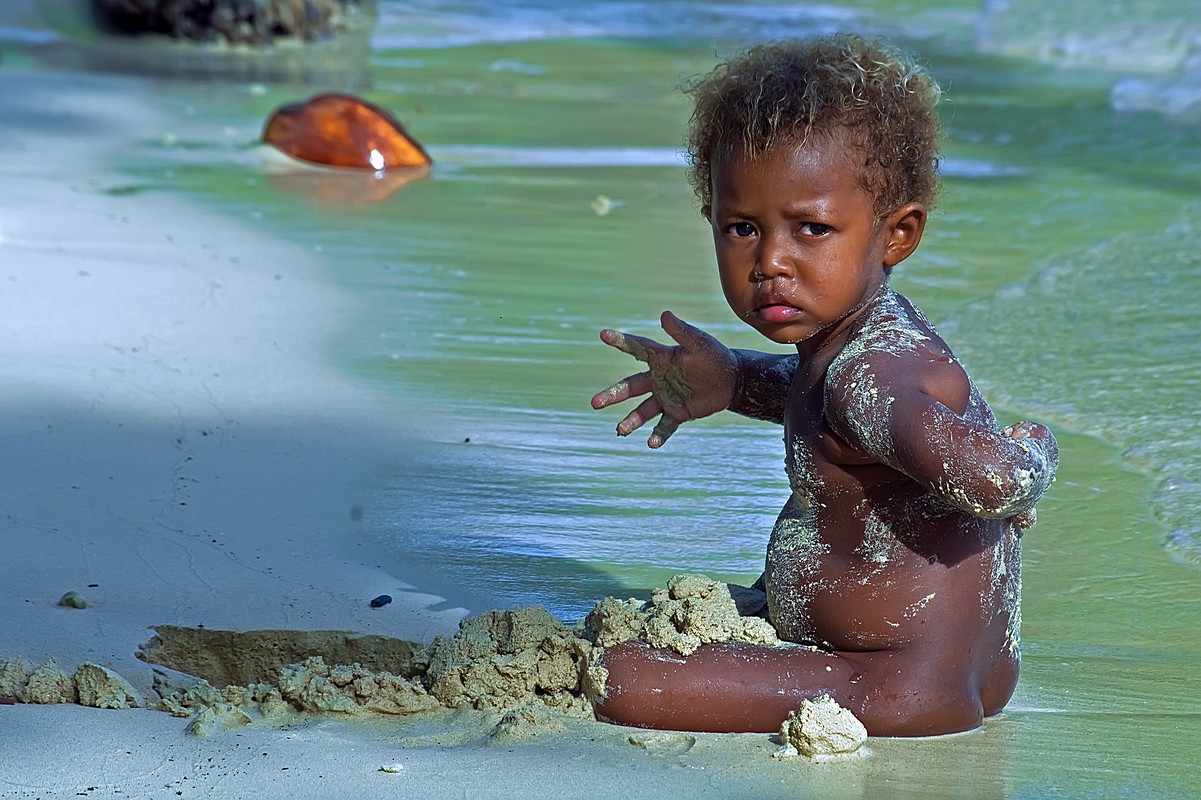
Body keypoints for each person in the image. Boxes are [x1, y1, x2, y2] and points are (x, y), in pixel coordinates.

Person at [589, 34, 1058, 737]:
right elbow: (833, 413)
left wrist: (1034, 451)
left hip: (888, 680)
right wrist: (736, 378)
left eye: (811, 227)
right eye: (741, 227)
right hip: (963, 669)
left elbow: (994, 482)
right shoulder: (862, 346)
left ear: (896, 235)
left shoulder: (871, 375)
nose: (770, 260)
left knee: (620, 676)